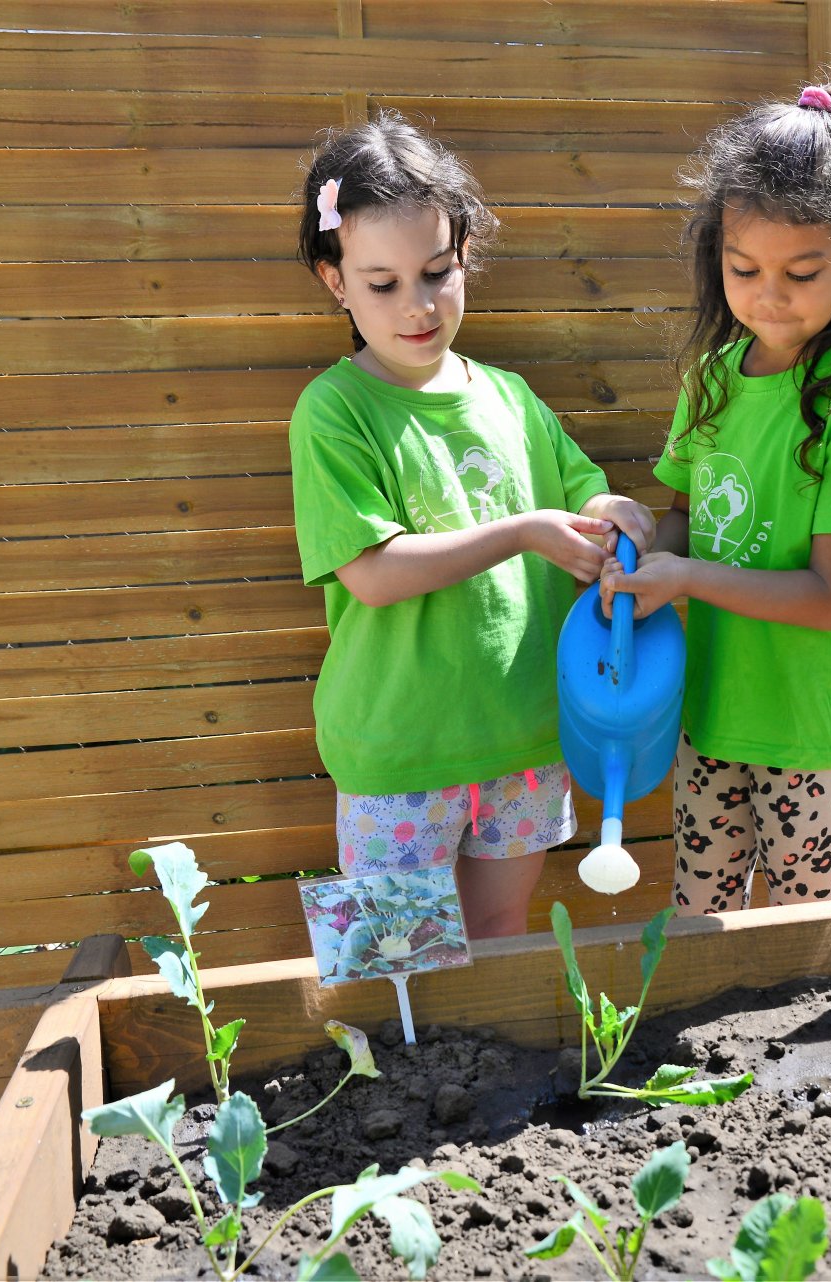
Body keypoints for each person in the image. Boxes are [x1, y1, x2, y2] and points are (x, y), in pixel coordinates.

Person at [289, 111, 654, 939]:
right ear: (333, 279)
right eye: (382, 283)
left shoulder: (509, 395)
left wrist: (611, 516)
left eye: (438, 273)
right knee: (400, 965)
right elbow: (373, 574)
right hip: (397, 753)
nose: (417, 306)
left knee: (501, 947)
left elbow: (582, 496)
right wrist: (522, 532)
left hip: (524, 740)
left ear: (465, 258)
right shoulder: (334, 410)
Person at [601, 84, 831, 915]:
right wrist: (641, 561)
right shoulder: (709, 380)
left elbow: (829, 599)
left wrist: (686, 578)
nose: (769, 293)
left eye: (800, 272)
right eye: (744, 269)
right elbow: (683, 516)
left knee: (796, 947)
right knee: (701, 928)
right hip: (705, 715)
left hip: (812, 736)